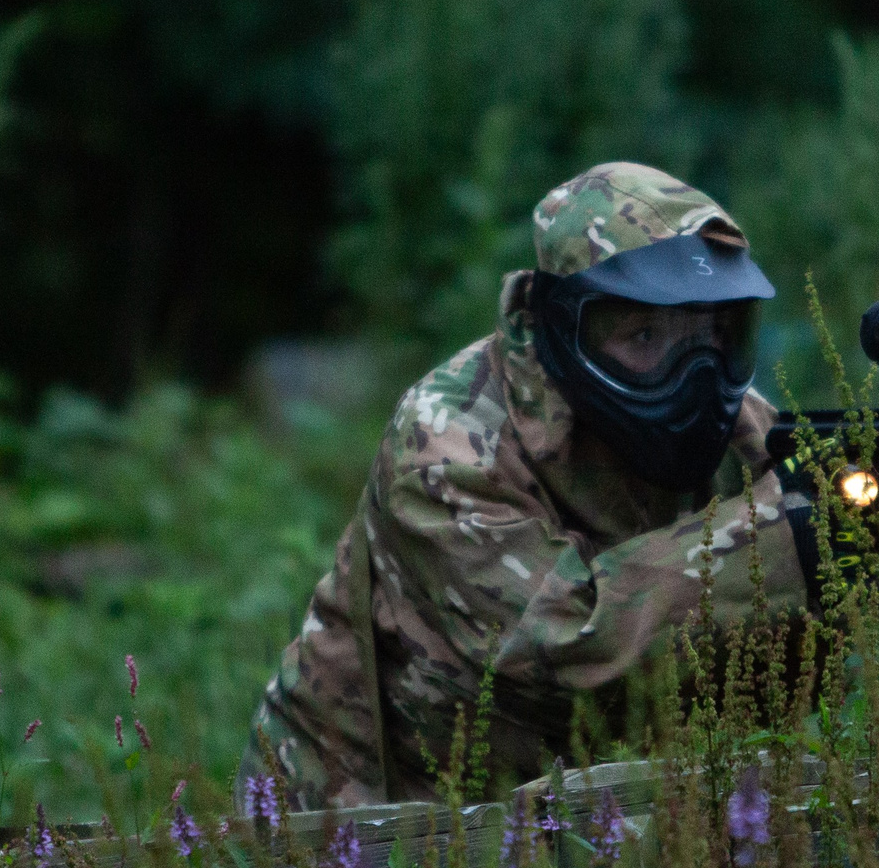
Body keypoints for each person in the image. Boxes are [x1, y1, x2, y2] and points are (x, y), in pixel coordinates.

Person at [247, 162, 815, 808]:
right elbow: (559, 645)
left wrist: (869, 530)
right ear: (568, 327)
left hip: (573, 812)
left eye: (714, 334)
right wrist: (787, 539)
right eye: (646, 335)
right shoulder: (446, 444)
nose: (693, 373)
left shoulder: (737, 424)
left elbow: (789, 636)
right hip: (357, 818)